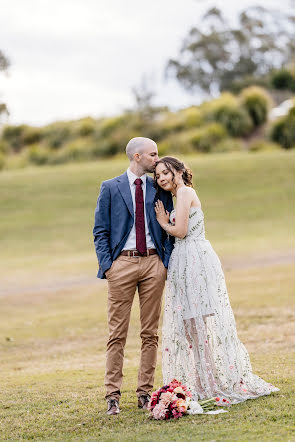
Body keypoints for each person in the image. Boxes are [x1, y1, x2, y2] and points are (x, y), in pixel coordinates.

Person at [154, 156, 279, 404]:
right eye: (157, 176)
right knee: (192, 328)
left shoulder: (186, 192)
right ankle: (204, 382)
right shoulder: (180, 195)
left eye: (165, 172)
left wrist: (163, 222)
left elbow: (180, 231)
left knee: (198, 325)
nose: (161, 179)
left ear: (178, 171)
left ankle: (210, 383)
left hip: (194, 259)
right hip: (185, 259)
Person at [93, 138, 174, 416]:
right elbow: (100, 230)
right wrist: (108, 266)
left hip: (154, 264)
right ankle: (112, 395)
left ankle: (145, 393)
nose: (157, 160)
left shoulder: (159, 187)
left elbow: (169, 224)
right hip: (122, 265)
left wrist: (165, 262)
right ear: (137, 156)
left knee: (150, 333)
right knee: (117, 334)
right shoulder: (110, 187)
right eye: (153, 155)